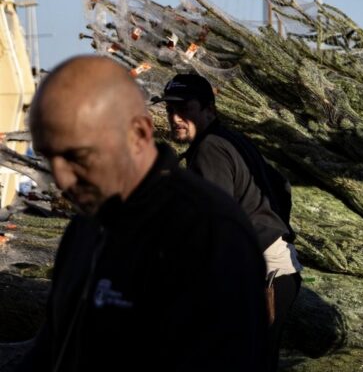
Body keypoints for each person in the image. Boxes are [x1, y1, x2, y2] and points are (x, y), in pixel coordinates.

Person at [22, 55, 266, 371]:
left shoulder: (208, 233)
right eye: (48, 158)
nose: (62, 180)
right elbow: (53, 348)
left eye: (77, 156)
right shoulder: (85, 229)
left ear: (138, 134)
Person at [160, 72, 301, 372]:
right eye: (170, 110)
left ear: (209, 109)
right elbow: (282, 186)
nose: (176, 118)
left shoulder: (209, 149)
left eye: (185, 109)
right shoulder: (231, 140)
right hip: (279, 269)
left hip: (262, 279)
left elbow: (214, 225)